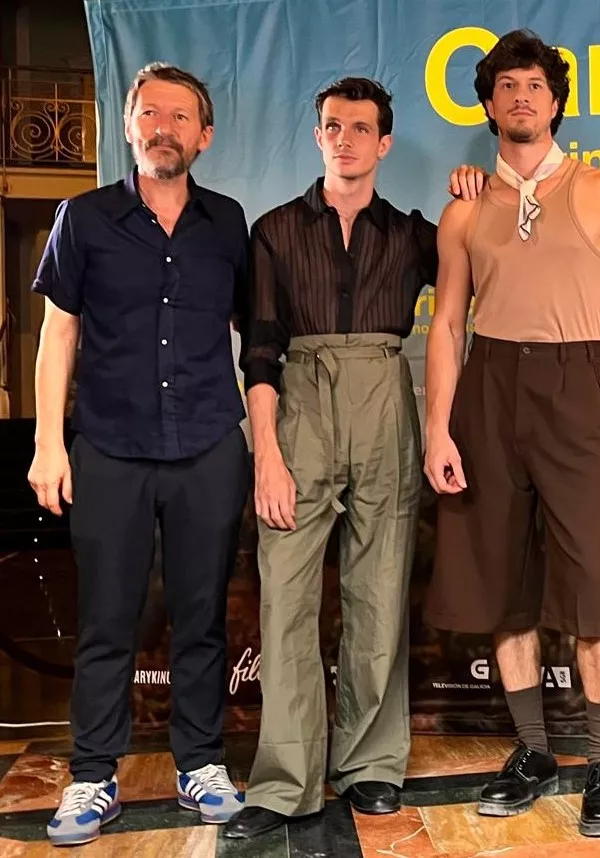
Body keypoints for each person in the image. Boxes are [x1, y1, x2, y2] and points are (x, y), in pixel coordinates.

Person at [220, 78, 482, 840]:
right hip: (297, 400)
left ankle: (370, 765)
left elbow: (481, 274)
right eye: (332, 125)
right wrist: (265, 453)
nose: (345, 138)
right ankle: (287, 780)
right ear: (317, 136)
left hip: (382, 392)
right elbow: (258, 350)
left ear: (383, 143)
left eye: (360, 128)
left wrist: (474, 197)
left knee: (378, 589)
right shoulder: (271, 231)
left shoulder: (410, 234)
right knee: (286, 598)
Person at [423, 29, 600, 838]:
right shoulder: (462, 205)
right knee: (505, 581)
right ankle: (534, 752)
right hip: (487, 391)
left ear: (556, 100)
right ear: (488, 103)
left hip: (573, 385)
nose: (521, 96)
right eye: (506, 86)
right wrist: (437, 428)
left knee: (591, 581)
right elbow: (448, 323)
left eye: (535, 85)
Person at [27, 62, 249, 847]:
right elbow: (58, 335)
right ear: (128, 127)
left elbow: (254, 338)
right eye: (149, 113)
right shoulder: (81, 218)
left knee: (200, 619)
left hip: (207, 446)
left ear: (204, 135)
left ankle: (200, 764)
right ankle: (92, 778)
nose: (164, 127)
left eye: (180, 116)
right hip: (110, 448)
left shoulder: (227, 223)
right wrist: (49, 442)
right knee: (107, 621)